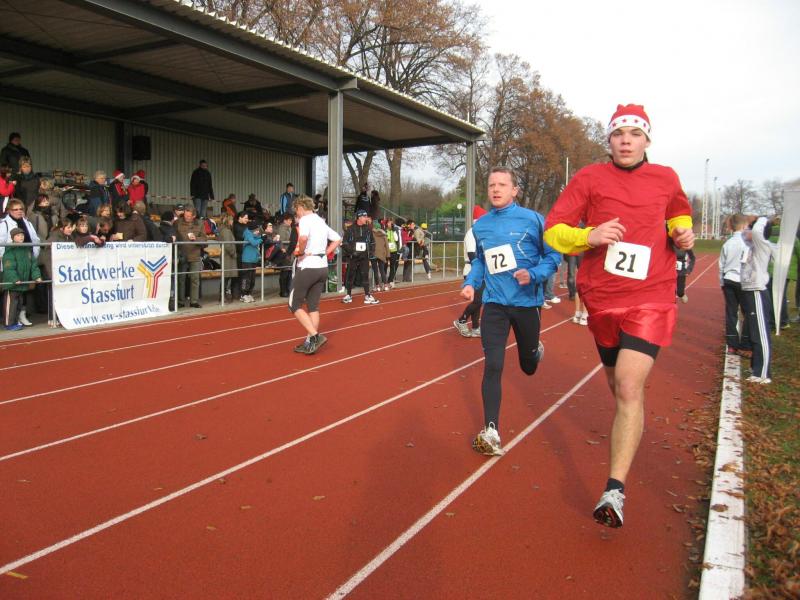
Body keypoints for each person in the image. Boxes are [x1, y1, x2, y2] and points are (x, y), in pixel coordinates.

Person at [543, 103, 694, 529]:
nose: (626, 141)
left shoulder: (666, 178)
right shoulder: (589, 178)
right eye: (618, 134)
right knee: (620, 388)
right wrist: (588, 235)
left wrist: (681, 231)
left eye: (634, 134)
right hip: (604, 299)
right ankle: (632, 412)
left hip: (652, 295)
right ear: (609, 140)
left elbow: (679, 214)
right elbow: (554, 229)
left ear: (647, 140)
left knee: (627, 384)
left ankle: (614, 490)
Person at [463, 167, 560, 456]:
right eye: (492, 184)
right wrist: (470, 283)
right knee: (493, 365)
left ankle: (534, 351)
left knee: (528, 367)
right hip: (495, 304)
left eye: (502, 185)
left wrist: (534, 274)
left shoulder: (534, 220)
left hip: (527, 304)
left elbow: (553, 256)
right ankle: (491, 430)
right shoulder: (481, 226)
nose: (496, 189)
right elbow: (480, 261)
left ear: (514, 190)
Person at [289, 195, 342, 354]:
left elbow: (303, 238)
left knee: (294, 304)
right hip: (322, 267)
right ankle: (309, 342)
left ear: (300, 207)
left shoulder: (305, 220)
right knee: (313, 306)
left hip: (308, 266)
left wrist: (301, 251)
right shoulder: (320, 221)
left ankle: (314, 336)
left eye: (296, 211)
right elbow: (337, 239)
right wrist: (325, 252)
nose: (297, 215)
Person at [740, 216, 774, 384]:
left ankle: (763, 373)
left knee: (760, 334)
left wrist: (761, 218)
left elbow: (756, 231)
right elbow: (743, 234)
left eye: (750, 228)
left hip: (757, 292)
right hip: (749, 292)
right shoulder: (751, 246)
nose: (746, 231)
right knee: (754, 333)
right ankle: (756, 367)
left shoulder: (762, 246)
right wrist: (749, 227)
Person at [454, 205, 488, 337]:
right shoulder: (471, 233)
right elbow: (472, 254)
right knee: (478, 300)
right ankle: (461, 320)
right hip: (472, 270)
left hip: (479, 271)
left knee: (478, 300)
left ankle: (475, 327)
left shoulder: (479, 234)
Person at [3, 227, 42, 331]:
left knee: (19, 304)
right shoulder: (10, 250)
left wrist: (37, 276)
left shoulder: (27, 249)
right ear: (13, 237)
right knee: (11, 305)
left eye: (22, 235)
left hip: (22, 283)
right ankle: (9, 323)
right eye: (18, 235)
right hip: (12, 284)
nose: (21, 237)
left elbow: (33, 265)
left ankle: (15, 322)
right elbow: (8, 267)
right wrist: (14, 279)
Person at [342, 209, 378, 304]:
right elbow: (344, 243)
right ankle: (348, 295)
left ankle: (367, 295)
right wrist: (352, 252)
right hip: (353, 256)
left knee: (365, 275)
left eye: (366, 216)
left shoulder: (368, 229)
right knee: (350, 275)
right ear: (359, 217)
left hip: (364, 256)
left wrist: (371, 252)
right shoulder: (350, 229)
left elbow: (372, 242)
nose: (366, 218)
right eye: (364, 216)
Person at [175, 205, 207, 308]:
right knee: (181, 279)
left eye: (189, 216)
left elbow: (205, 240)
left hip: (195, 255)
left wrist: (196, 239)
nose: (186, 217)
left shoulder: (200, 223)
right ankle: (180, 301)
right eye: (185, 215)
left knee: (195, 279)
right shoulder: (177, 222)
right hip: (182, 255)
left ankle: (194, 301)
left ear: (194, 216)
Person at [239, 217, 262, 304]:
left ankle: (248, 293)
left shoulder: (255, 235)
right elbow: (253, 242)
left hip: (253, 259)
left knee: (252, 279)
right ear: (253, 229)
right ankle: (243, 295)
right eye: (256, 229)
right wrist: (261, 239)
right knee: (246, 278)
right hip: (247, 259)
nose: (258, 231)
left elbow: (258, 238)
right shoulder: (248, 233)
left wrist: (260, 238)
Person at [217, 214, 238, 300]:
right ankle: (222, 295)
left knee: (226, 276)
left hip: (227, 256)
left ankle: (223, 295)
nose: (232, 222)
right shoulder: (226, 231)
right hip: (228, 257)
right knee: (226, 277)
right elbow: (228, 245)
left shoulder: (224, 230)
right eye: (231, 220)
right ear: (228, 221)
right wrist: (233, 253)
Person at [277, 212, 295, 297]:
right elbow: (281, 240)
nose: (290, 221)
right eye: (289, 220)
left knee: (289, 272)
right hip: (285, 252)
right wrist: (282, 249)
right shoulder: (282, 228)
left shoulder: (290, 228)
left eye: (291, 220)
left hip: (290, 252)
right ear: (285, 220)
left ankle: (288, 289)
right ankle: (283, 291)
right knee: (284, 272)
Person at [371, 217, 390, 292]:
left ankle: (377, 286)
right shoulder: (384, 234)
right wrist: (388, 255)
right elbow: (387, 245)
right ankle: (385, 285)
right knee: (382, 270)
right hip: (382, 254)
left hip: (373, 253)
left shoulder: (371, 234)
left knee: (375, 271)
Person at [384, 217, 402, 288]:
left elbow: (397, 239)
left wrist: (394, 231)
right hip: (386, 251)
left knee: (392, 266)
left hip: (394, 251)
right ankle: (384, 281)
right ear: (386, 223)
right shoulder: (385, 230)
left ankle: (390, 281)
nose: (390, 224)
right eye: (389, 223)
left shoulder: (395, 230)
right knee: (385, 266)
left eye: (391, 223)